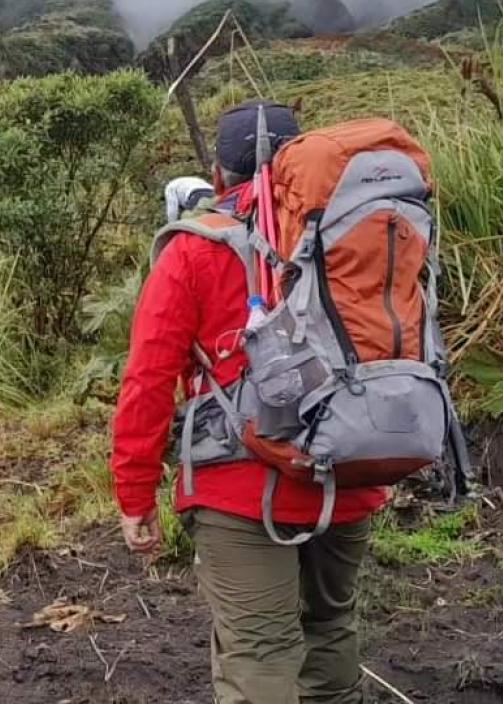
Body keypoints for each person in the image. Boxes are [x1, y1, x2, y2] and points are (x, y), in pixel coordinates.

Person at [110, 100, 388, 704]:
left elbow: (149, 379)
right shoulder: (353, 233)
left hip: (240, 488)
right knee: (331, 627)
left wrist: (135, 493)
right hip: (350, 468)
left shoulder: (193, 249)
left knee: (259, 652)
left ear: (217, 175)